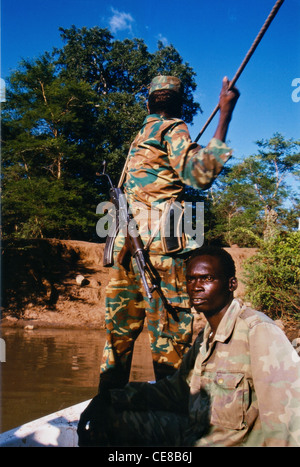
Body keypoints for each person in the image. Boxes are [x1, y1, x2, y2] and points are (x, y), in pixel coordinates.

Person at [78, 246, 300, 447]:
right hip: (194, 436)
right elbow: (175, 391)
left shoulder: (258, 331)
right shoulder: (206, 336)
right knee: (109, 421)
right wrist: (110, 398)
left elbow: (288, 419)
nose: (196, 287)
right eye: (191, 279)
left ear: (231, 284)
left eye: (207, 278)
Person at [100, 75, 240, 390]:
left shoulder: (140, 137)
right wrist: (225, 115)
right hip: (161, 254)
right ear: (179, 105)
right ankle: (171, 422)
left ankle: (102, 418)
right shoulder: (173, 128)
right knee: (170, 343)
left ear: (148, 102)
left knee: (117, 342)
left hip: (127, 251)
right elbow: (200, 175)